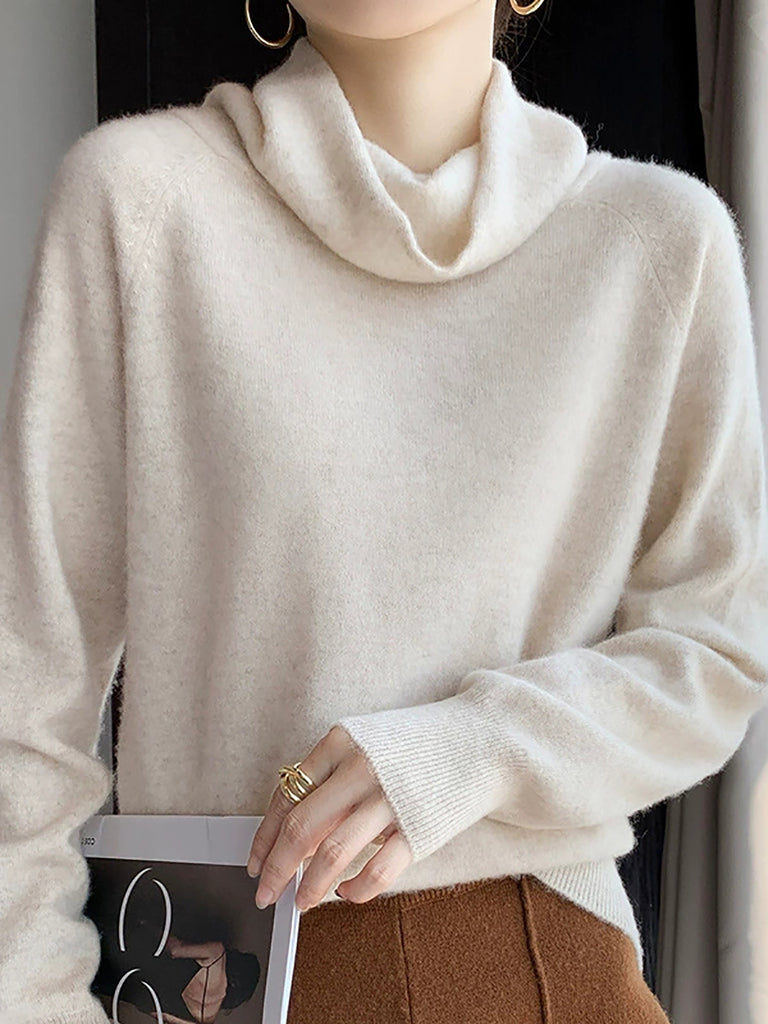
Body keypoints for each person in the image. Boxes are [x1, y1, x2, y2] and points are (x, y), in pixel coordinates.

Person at [1, 1, 767, 1022]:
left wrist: (470, 748)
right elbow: (25, 682)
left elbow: (718, 648)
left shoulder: (659, 245)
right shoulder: (139, 204)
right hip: (223, 967)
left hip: (548, 964)